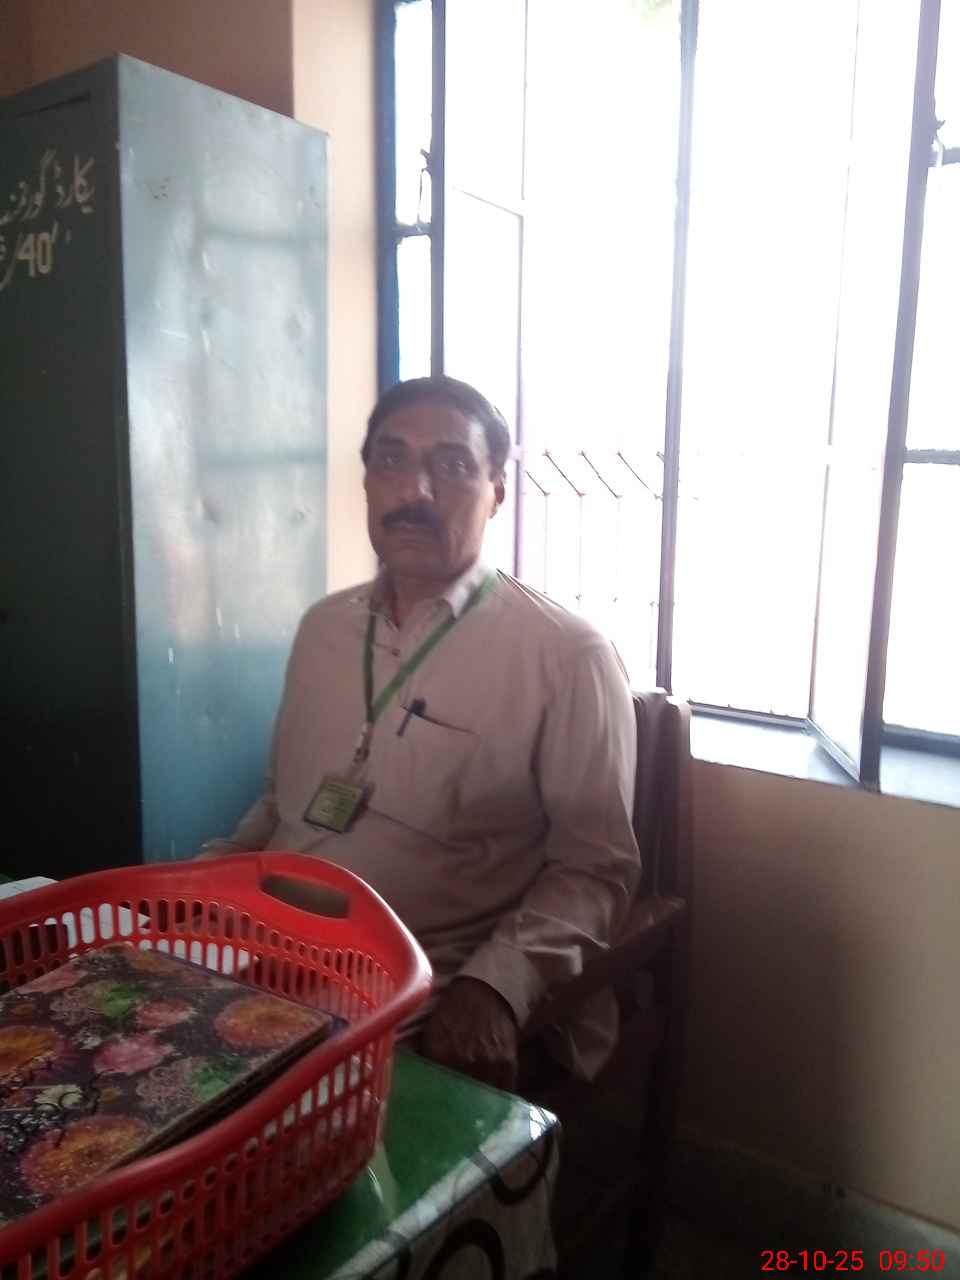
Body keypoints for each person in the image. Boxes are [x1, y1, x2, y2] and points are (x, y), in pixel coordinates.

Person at [199, 376, 640, 1089]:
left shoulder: (566, 656)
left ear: (497, 491)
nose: (416, 491)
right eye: (392, 459)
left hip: (412, 983)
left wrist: (494, 986)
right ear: (367, 481)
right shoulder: (323, 629)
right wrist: (203, 882)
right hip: (264, 950)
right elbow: (281, 806)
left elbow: (595, 872)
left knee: (259, 1131)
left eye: (453, 465)